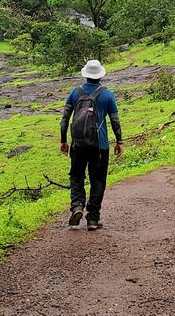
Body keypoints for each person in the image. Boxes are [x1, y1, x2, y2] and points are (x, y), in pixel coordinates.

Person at [60, 59, 122, 230]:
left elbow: (65, 118)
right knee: (98, 180)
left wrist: (64, 140)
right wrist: (119, 141)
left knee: (76, 176)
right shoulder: (107, 94)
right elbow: (115, 120)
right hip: (100, 146)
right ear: (100, 75)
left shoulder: (75, 92)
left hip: (78, 144)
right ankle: (93, 219)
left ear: (86, 74)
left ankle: (77, 205)